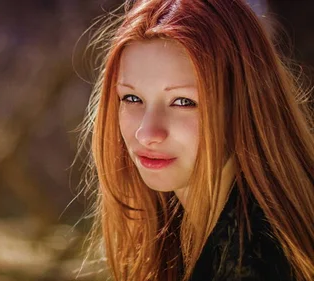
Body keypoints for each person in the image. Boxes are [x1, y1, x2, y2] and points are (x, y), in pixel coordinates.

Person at [79, 0, 314, 280]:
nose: (147, 132)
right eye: (132, 98)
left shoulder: (256, 261)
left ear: (244, 105)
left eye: (182, 101)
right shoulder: (181, 229)